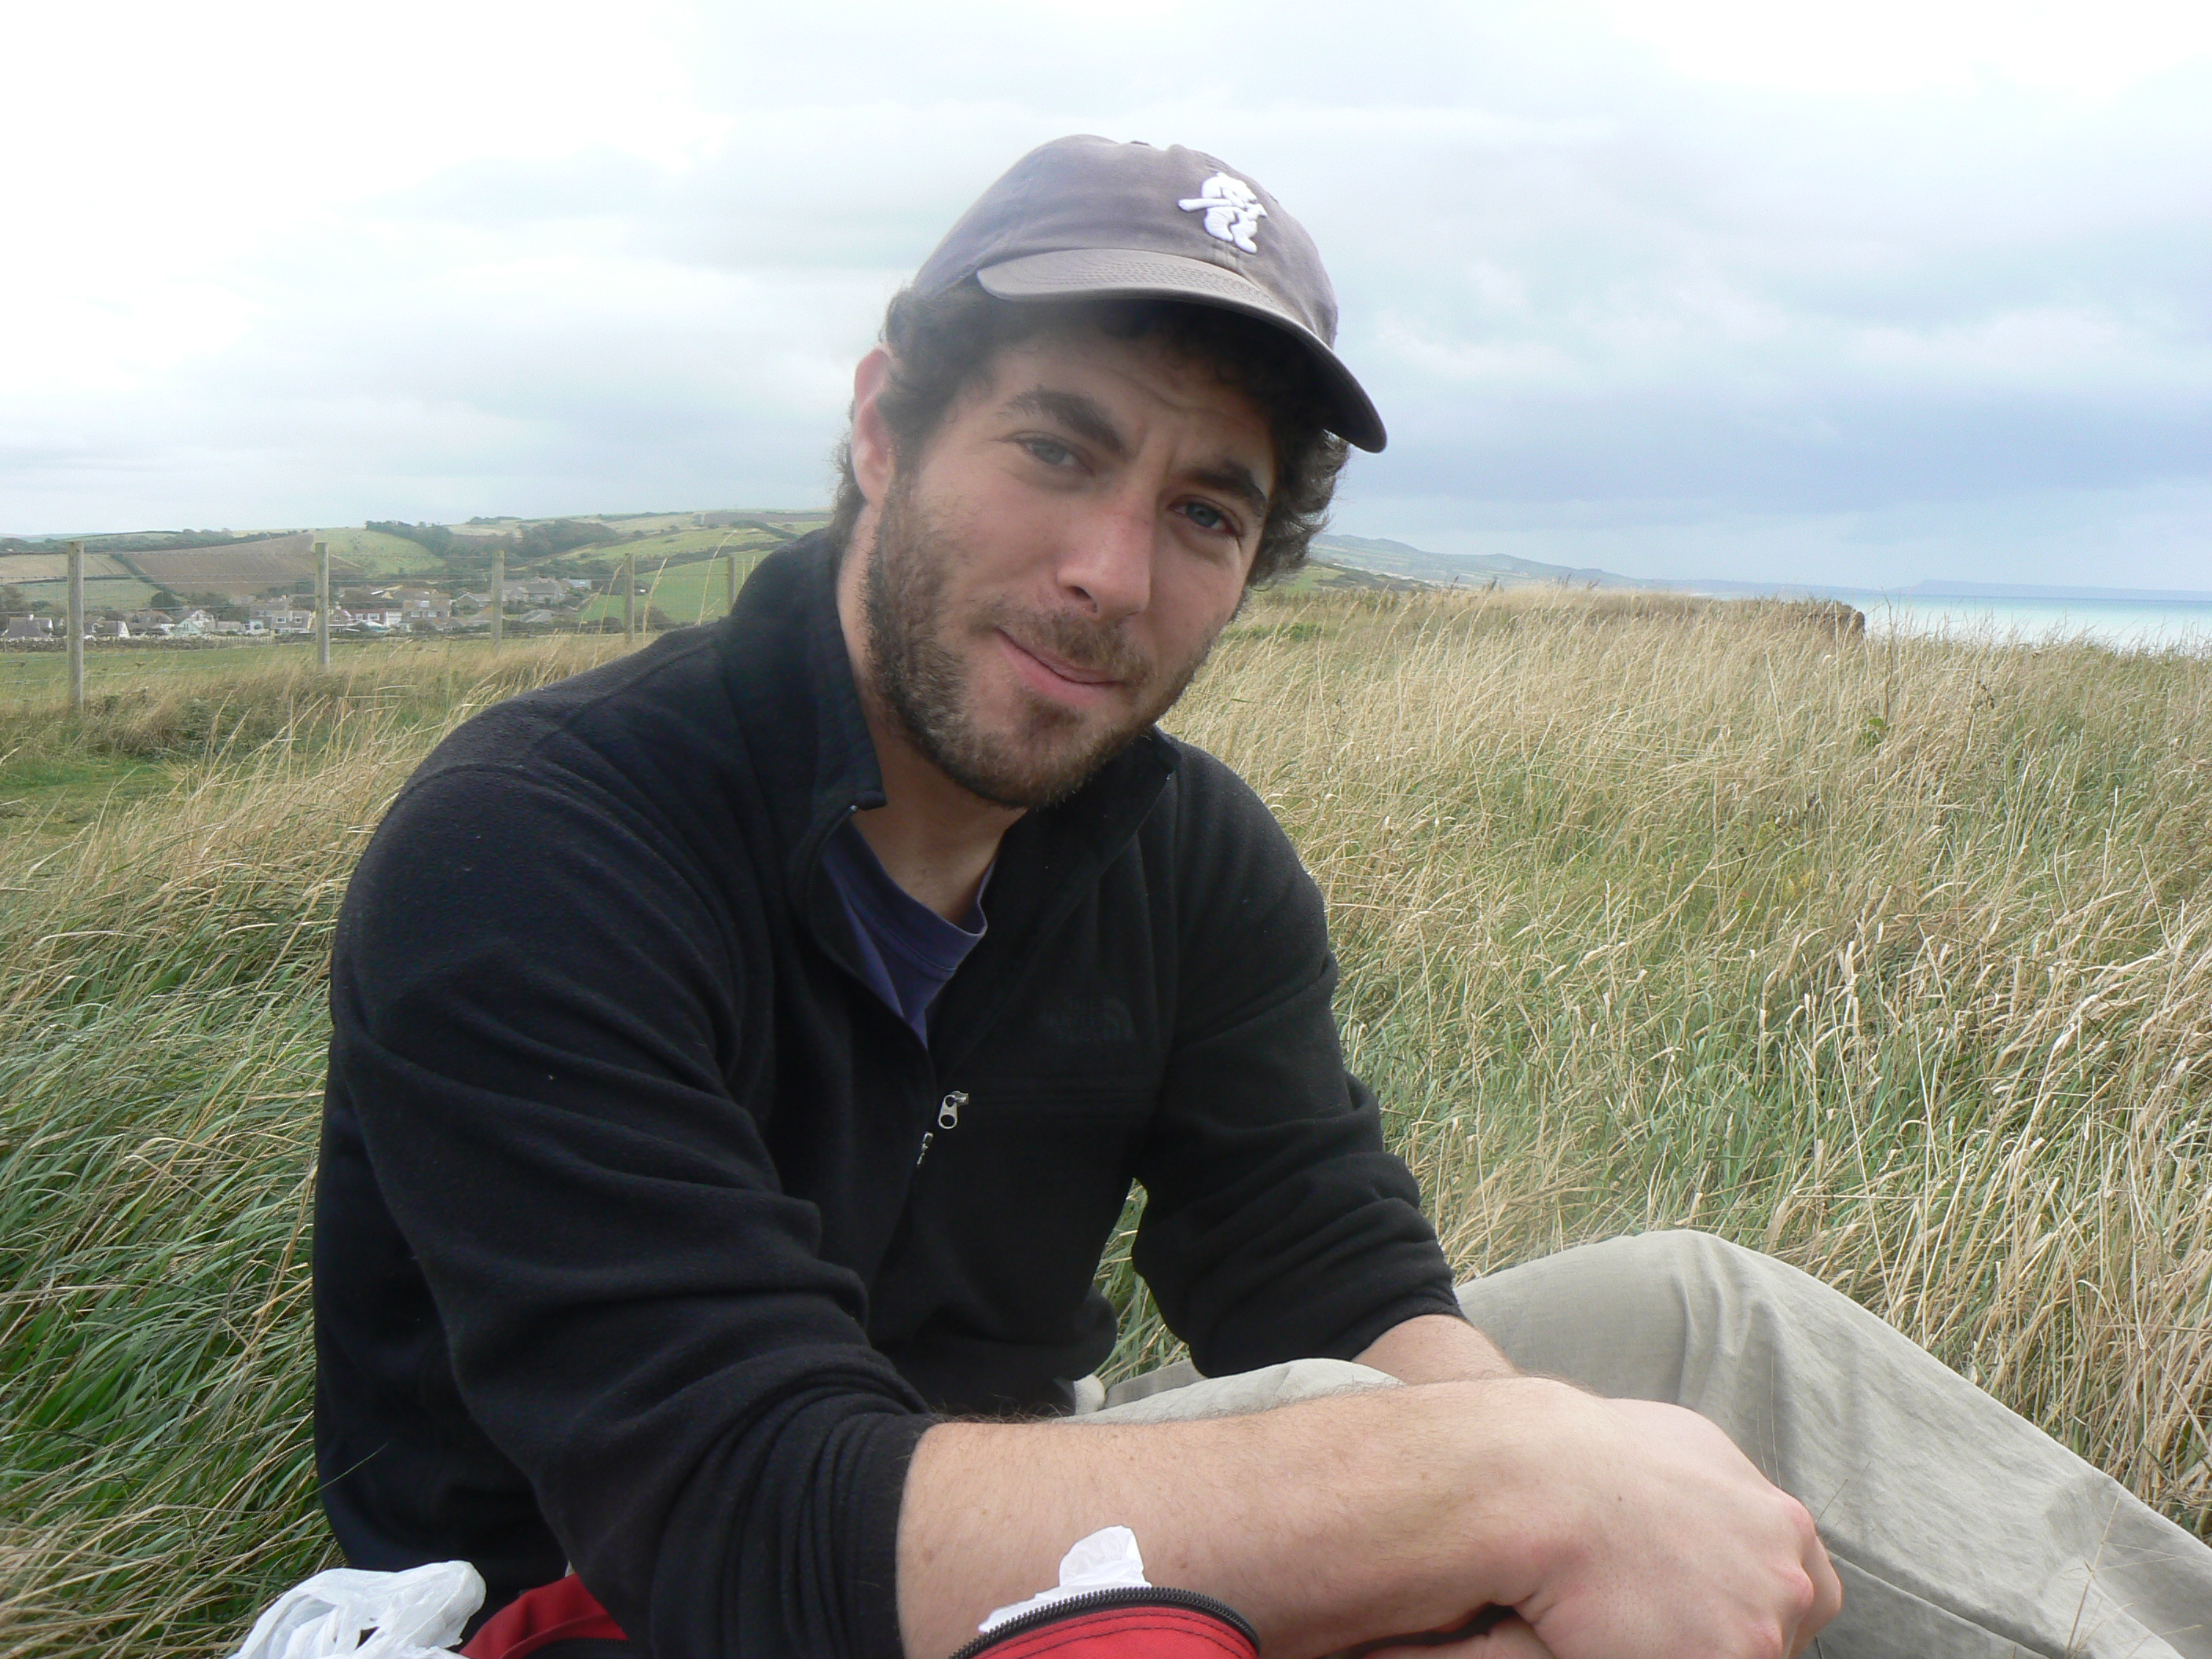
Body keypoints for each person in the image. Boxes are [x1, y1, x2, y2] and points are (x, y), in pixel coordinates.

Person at [313, 136, 2212, 1659]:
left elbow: (1318, 1263)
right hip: (614, 1602)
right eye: (1056, 447)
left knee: (1703, 1331)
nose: (1108, 571)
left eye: (1204, 511)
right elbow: (752, 1518)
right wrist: (1513, 1506)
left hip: (1005, 1509)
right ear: (884, 427)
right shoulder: (538, 846)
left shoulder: (1181, 854)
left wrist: (1538, 1469)